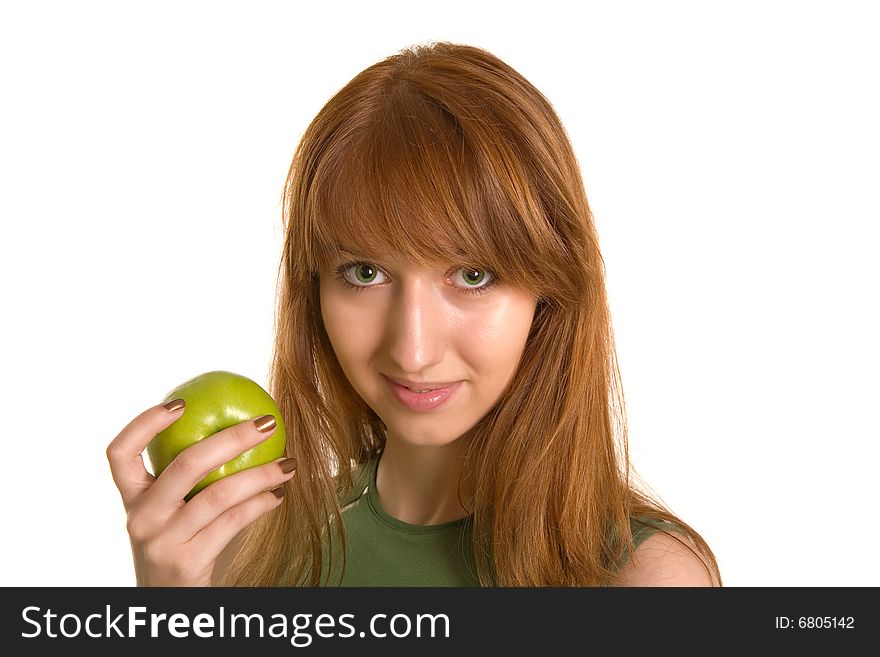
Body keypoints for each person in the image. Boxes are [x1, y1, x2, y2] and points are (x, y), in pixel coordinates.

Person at [107, 41, 722, 587]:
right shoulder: (251, 560)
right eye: (365, 273)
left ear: (550, 290)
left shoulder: (644, 580)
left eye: (473, 275)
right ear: (314, 288)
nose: (413, 349)